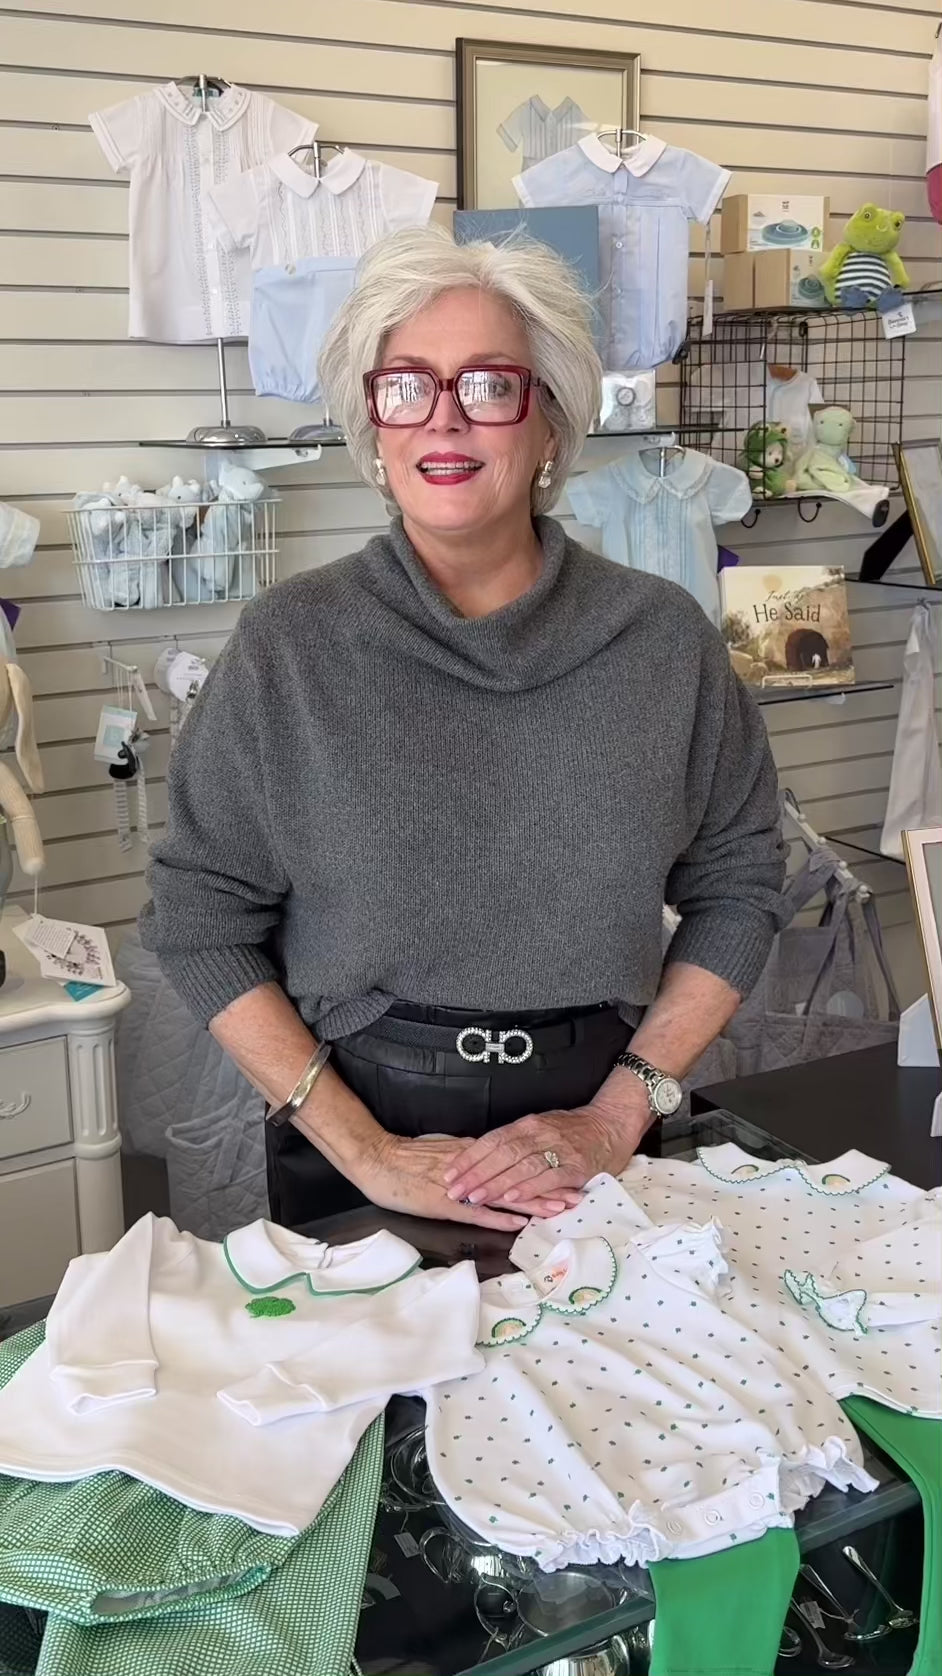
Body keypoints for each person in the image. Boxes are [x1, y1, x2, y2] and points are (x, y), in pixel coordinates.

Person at [140, 225, 787, 1235]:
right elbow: (198, 916)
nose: (443, 417)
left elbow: (740, 887)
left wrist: (618, 1115)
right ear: (375, 425)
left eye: (489, 384)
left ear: (551, 423)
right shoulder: (291, 645)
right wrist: (367, 1153)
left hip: (602, 1121)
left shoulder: (663, 641)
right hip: (356, 1130)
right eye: (406, 385)